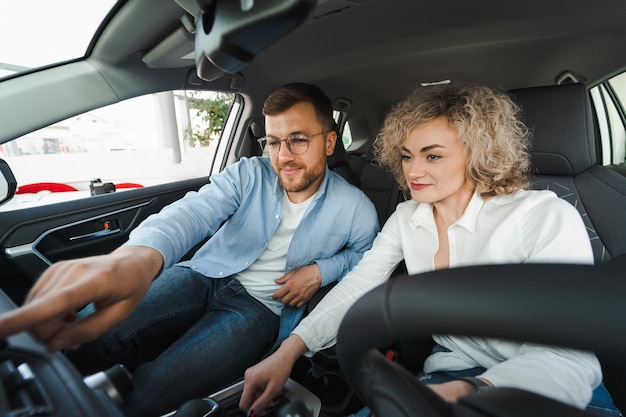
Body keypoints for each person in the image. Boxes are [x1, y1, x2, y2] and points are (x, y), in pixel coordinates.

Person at [240, 84, 622, 417]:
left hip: (553, 391)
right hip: (446, 375)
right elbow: (360, 284)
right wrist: (286, 353)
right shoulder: (407, 217)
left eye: (433, 155)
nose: (413, 171)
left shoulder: (543, 215)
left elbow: (567, 357)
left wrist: (470, 394)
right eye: (407, 155)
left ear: (477, 154)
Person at [0, 82, 379, 416]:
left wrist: (320, 272)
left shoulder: (356, 207)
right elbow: (194, 211)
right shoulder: (250, 173)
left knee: (159, 387)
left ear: (329, 142)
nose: (283, 156)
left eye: (298, 139)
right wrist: (139, 258)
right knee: (90, 332)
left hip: (261, 307)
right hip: (204, 273)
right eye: (274, 142)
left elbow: (365, 260)